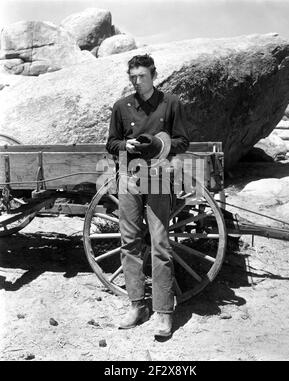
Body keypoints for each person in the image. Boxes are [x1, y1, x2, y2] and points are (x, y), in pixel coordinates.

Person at [106, 54, 190, 338]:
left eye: (142, 76)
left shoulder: (171, 103)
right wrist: (124, 144)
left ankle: (164, 311)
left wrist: (158, 143)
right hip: (129, 176)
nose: (137, 81)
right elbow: (111, 142)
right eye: (133, 76)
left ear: (153, 75)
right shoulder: (121, 106)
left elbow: (182, 140)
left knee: (160, 243)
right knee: (129, 243)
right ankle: (137, 305)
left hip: (158, 177)